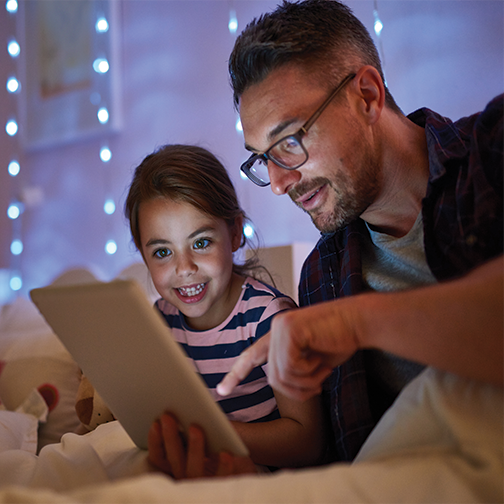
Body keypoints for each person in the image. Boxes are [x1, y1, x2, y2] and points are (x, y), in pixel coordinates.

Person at [149, 0, 502, 478]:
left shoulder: (491, 153)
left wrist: (356, 323)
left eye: (290, 140)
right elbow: (341, 458)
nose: (277, 183)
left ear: (367, 96)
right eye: (262, 157)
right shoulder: (324, 274)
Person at [123, 144, 328, 477]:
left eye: (201, 243)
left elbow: (307, 441)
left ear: (234, 233)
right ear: (143, 255)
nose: (184, 268)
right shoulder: (158, 323)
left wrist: (213, 437)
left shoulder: (270, 319)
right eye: (162, 252)